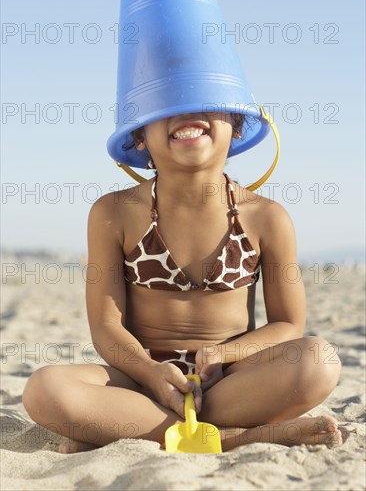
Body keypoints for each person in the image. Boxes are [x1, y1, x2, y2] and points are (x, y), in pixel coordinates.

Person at [22, 109, 342, 453]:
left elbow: (288, 323)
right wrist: (150, 373)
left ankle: (138, 431)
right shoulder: (114, 212)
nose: (188, 111)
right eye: (165, 107)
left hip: (231, 381)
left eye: (205, 101)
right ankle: (236, 437)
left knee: (318, 361)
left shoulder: (266, 217)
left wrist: (225, 354)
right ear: (140, 137)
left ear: (236, 126)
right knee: (44, 389)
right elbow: (104, 325)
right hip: (141, 381)